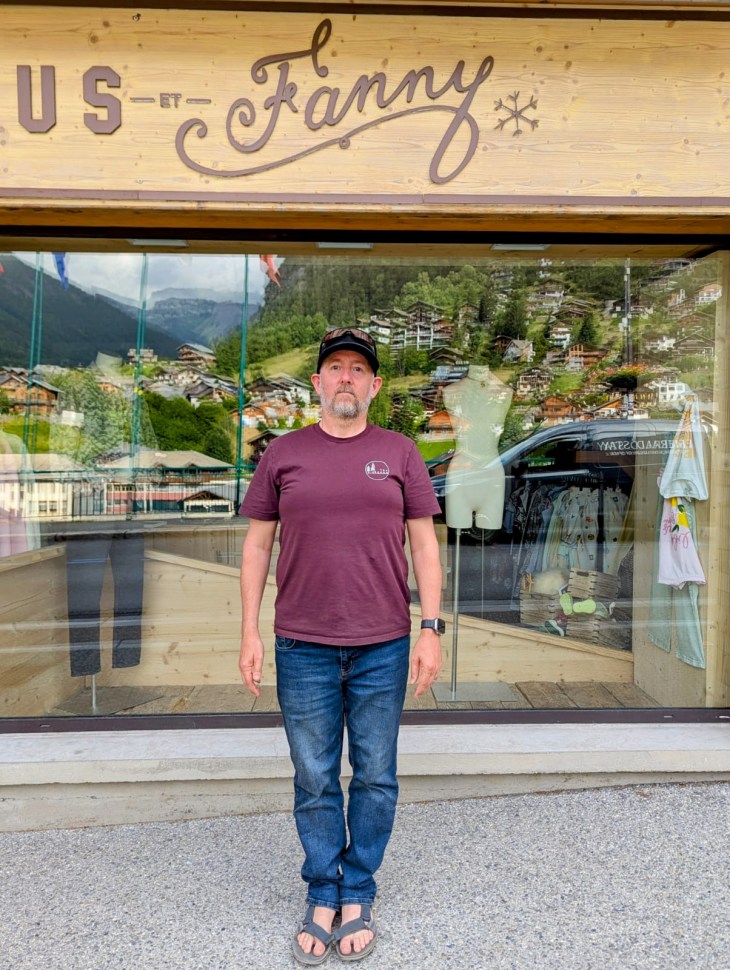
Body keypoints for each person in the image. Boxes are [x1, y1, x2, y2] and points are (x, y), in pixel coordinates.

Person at [238, 327, 443, 964]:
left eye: (358, 368)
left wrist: (432, 628)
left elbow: (424, 545)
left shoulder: (401, 452)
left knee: (376, 776)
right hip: (302, 644)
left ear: (374, 385)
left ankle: (358, 888)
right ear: (318, 382)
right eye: (335, 368)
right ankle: (322, 888)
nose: (346, 377)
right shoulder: (283, 454)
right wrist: (248, 631)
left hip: (384, 644)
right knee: (314, 777)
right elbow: (256, 546)